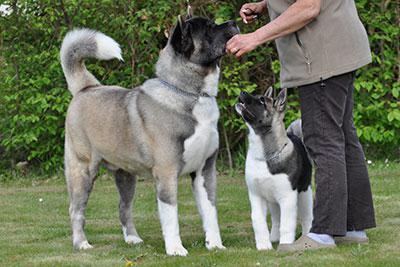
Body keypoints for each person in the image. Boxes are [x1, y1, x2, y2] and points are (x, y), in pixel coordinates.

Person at [227, 0, 376, 252]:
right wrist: (267, 4)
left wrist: (255, 37)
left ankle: (323, 233)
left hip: (322, 58)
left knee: (323, 139)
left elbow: (309, 6)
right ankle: (352, 226)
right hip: (339, 50)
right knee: (343, 137)